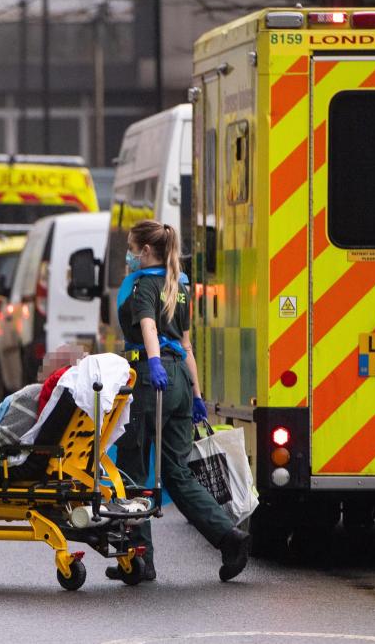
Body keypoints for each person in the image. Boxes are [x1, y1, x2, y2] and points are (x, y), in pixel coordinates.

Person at [108, 220, 249, 583]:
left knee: (133, 471)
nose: (128, 254)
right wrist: (197, 394)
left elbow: (149, 328)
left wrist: (153, 363)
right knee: (177, 471)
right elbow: (186, 344)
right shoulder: (178, 287)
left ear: (145, 251)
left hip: (151, 382)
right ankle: (229, 537)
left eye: (130, 247)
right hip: (182, 383)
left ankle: (139, 561)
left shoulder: (143, 284)